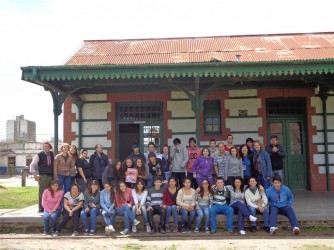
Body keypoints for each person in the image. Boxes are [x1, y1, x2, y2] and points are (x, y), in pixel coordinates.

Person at [30, 142, 54, 213]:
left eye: (47, 146)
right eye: (44, 146)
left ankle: (49, 207)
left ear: (50, 147)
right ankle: (41, 208)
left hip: (51, 176)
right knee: (43, 193)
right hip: (43, 176)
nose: (46, 148)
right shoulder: (39, 155)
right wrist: (35, 175)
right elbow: (32, 165)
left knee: (51, 192)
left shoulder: (52, 154)